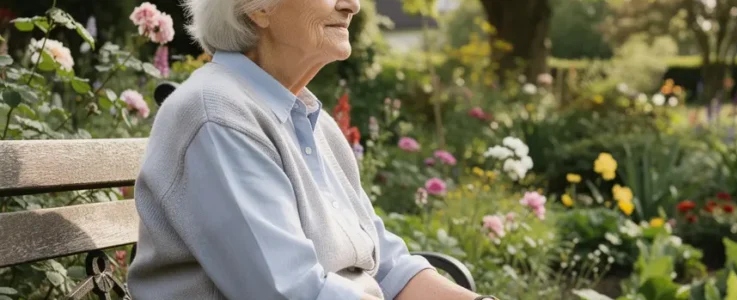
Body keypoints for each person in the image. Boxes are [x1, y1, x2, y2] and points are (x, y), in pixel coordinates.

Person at [126, 0, 496, 299]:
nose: (352, 5)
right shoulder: (217, 114)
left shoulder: (308, 120)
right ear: (259, 9)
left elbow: (387, 266)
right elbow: (289, 290)